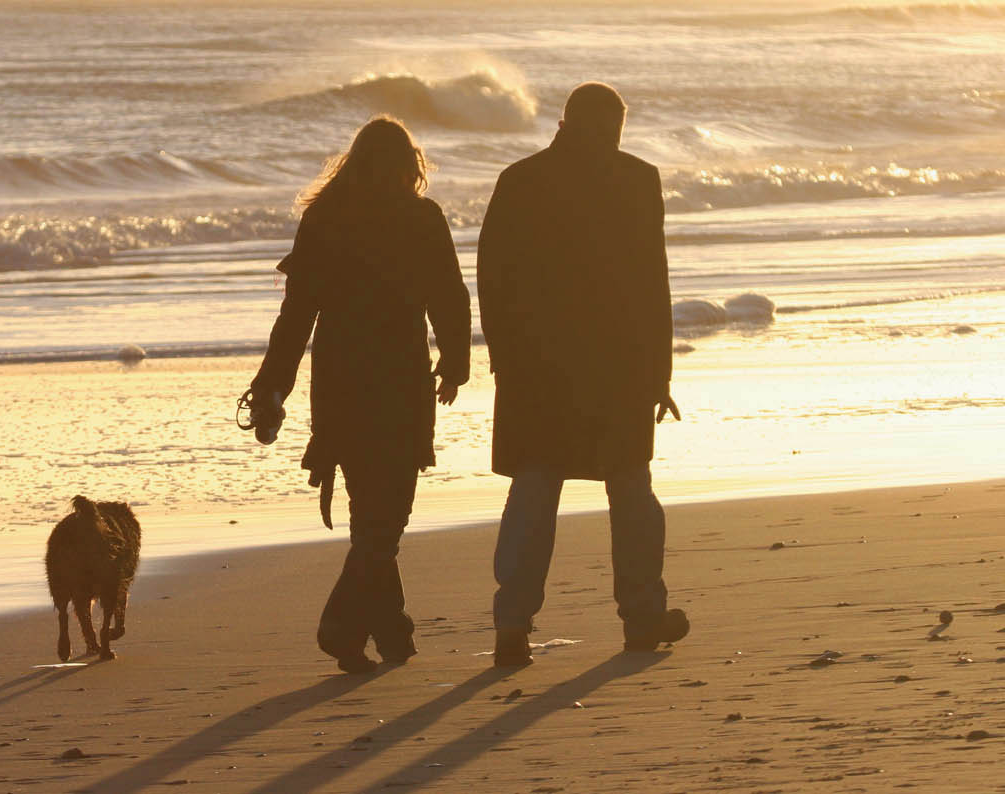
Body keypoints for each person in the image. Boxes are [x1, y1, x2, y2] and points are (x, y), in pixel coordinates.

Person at [250, 116, 471, 673]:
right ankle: (340, 627)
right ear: (409, 165)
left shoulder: (325, 218)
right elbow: (449, 294)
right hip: (399, 375)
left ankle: (393, 634)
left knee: (369, 513)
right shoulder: (421, 218)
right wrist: (455, 363)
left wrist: (272, 386)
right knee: (386, 516)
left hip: (341, 377)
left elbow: (296, 315)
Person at [478, 82, 688, 666]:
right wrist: (658, 373)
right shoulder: (637, 180)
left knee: (535, 490)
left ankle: (512, 627)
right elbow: (654, 284)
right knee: (631, 491)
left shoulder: (520, 180)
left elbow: (491, 277)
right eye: (614, 128)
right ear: (606, 125)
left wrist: (503, 357)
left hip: (536, 369)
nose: (616, 139)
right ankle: (643, 617)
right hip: (617, 368)